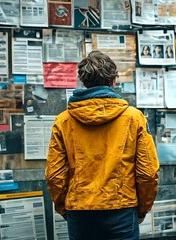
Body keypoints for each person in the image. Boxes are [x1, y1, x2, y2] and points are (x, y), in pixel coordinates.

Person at [46, 50, 160, 240]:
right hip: (122, 211)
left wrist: (65, 209)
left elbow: (54, 175)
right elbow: (148, 172)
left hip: (80, 211)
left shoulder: (64, 121)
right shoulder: (133, 118)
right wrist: (142, 209)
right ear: (113, 81)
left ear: (84, 81)